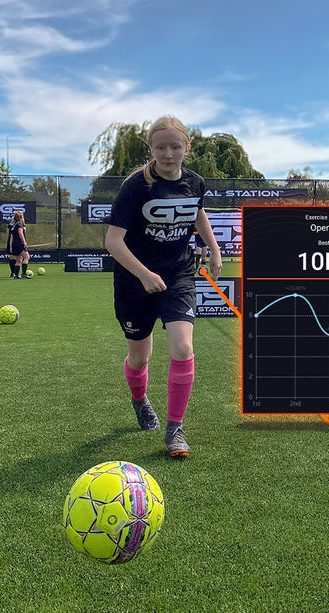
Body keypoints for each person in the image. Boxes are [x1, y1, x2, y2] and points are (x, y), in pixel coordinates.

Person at [105, 116, 222, 458]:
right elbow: (113, 241)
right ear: (151, 149)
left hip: (178, 274)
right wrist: (142, 273)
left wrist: (213, 248)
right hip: (134, 281)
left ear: (187, 147)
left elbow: (197, 213)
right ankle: (139, 399)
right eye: (160, 147)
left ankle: (175, 430)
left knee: (183, 348)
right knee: (141, 357)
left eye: (175, 146)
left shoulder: (195, 182)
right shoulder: (136, 187)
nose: (168, 154)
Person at [7, 211, 30, 278]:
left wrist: (11, 246)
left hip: (14, 244)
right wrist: (24, 242)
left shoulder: (14, 225)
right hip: (19, 243)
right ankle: (23, 274)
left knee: (19, 260)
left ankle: (16, 275)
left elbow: (11, 236)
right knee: (26, 257)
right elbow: (20, 233)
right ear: (20, 217)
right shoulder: (19, 224)